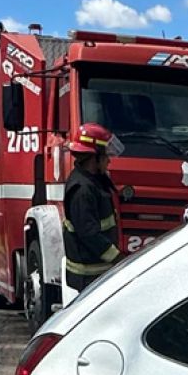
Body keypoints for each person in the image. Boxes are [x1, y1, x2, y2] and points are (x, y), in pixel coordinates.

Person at [62, 123, 123, 292]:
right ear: (93, 158)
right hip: (89, 275)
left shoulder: (93, 181)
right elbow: (89, 233)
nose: (109, 160)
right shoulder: (82, 189)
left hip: (97, 273)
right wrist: (117, 258)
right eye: (105, 156)